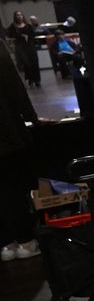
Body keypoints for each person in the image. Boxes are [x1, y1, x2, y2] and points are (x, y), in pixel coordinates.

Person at [0, 38, 40, 261]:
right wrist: (31, 117)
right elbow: (14, 87)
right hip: (6, 133)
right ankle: (26, 242)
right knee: (13, 188)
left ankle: (6, 244)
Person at [6, 11, 40, 88]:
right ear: (15, 17)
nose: (19, 16)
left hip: (30, 46)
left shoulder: (28, 25)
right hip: (20, 46)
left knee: (34, 62)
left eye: (20, 15)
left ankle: (37, 80)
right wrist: (21, 36)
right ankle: (30, 79)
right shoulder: (13, 26)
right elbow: (9, 34)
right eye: (17, 15)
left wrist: (28, 36)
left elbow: (33, 34)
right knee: (27, 63)